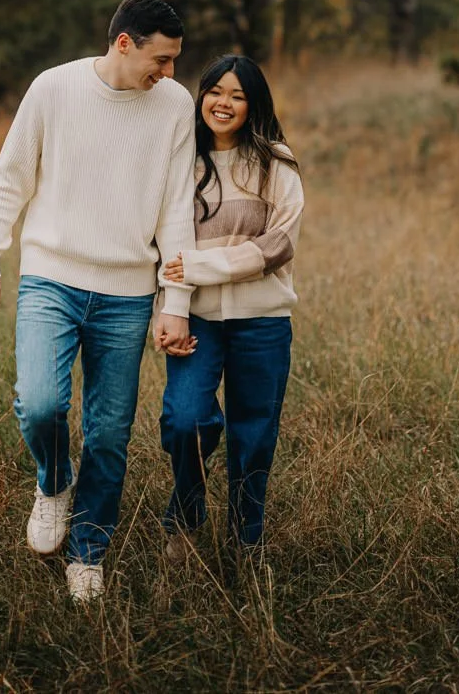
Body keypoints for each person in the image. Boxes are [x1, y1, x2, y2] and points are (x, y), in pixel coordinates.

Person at [0, 0, 196, 605]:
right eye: (163, 58)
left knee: (110, 432)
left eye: (176, 61)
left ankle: (88, 551)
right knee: (40, 403)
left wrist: (175, 298)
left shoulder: (175, 106)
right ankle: (54, 483)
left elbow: (177, 208)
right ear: (125, 42)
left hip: (127, 292)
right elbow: (10, 177)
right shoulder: (53, 89)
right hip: (51, 275)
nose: (171, 73)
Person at [159, 54, 303, 560]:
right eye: (215, 91)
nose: (223, 103)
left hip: (263, 320)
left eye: (237, 95)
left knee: (255, 433)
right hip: (197, 319)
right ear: (201, 97)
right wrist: (171, 301)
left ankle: (246, 534)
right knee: (185, 420)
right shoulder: (181, 164)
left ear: (253, 104)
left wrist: (200, 267)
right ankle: (188, 508)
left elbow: (279, 246)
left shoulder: (276, 163)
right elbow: (163, 244)